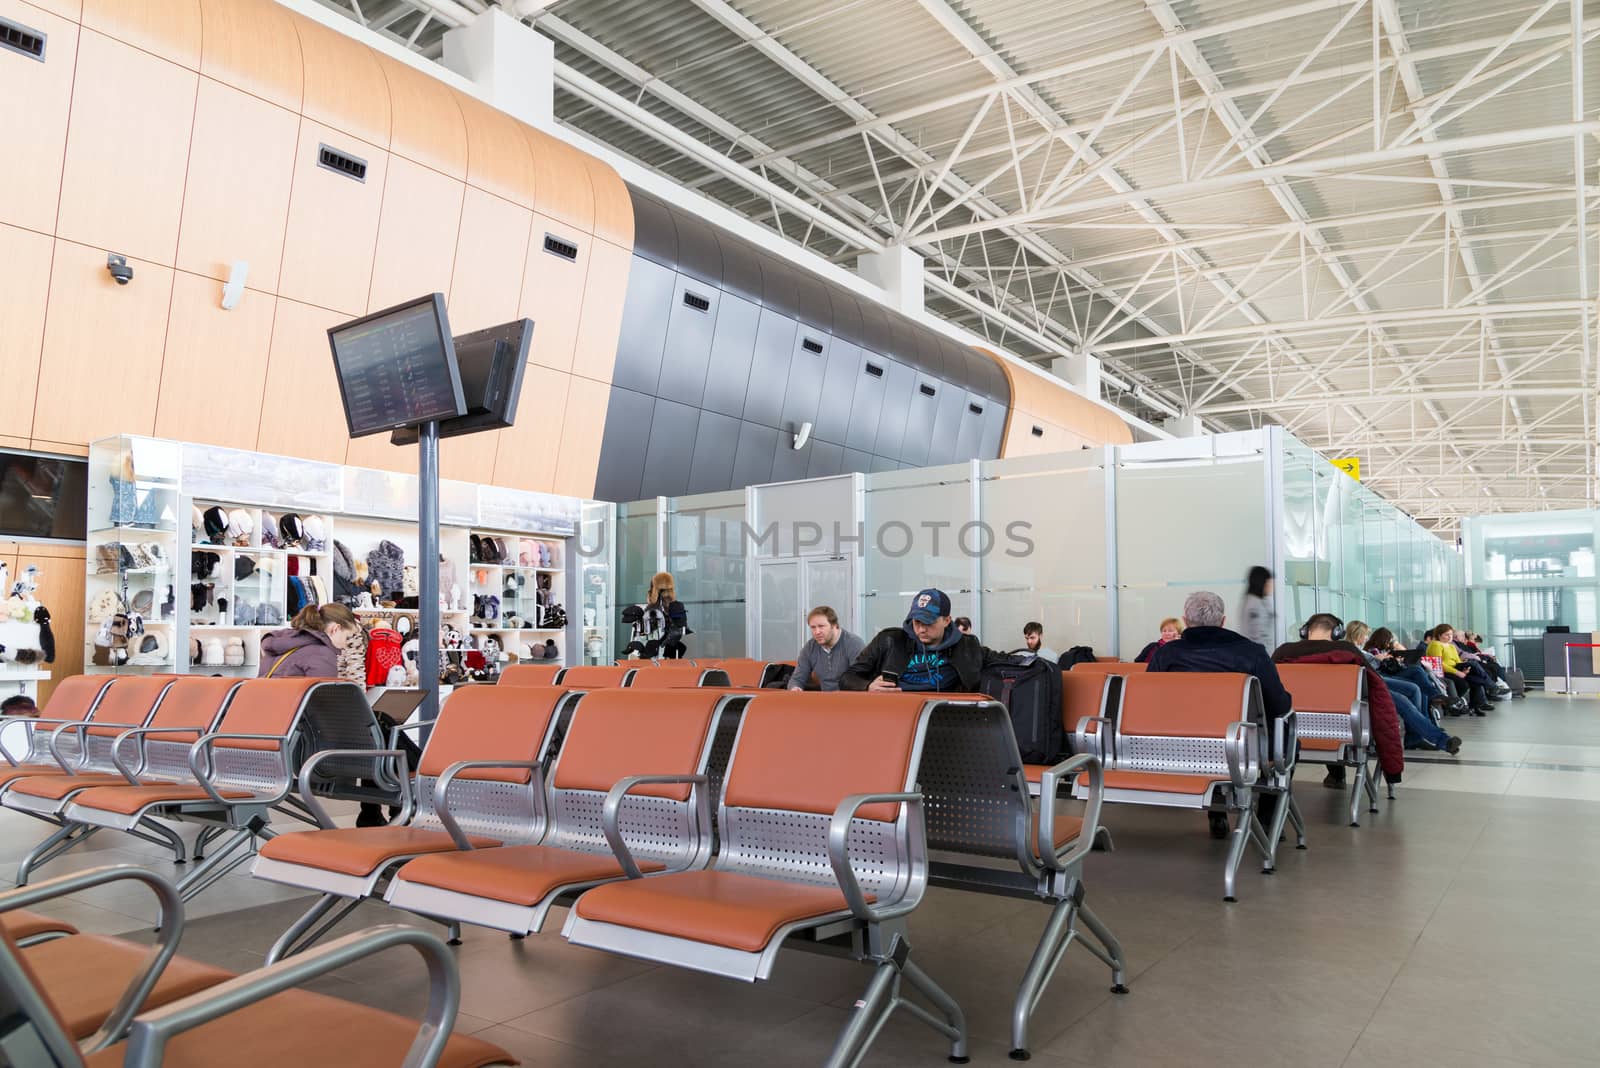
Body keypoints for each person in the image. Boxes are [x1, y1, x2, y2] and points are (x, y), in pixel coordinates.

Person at [1148, 591, 1293, 839]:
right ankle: (1267, 819)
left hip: (1177, 750)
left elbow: (1147, 703)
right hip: (1242, 751)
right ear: (1223, 621)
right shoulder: (1252, 652)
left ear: (1186, 619)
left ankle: (1217, 809)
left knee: (1211, 743)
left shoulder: (1166, 655)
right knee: (1286, 735)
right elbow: (1279, 704)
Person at [1273, 616, 1427, 794]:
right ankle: (1339, 776)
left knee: (1317, 703)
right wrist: (1392, 768)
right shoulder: (1347, 651)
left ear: (1305, 631)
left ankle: (1335, 777)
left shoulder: (1282, 653)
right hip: (1343, 730)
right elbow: (1379, 696)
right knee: (1334, 705)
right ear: (1337, 633)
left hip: (1289, 731)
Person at [842, 588, 1008, 693]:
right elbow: (847, 678)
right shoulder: (889, 640)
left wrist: (1032, 663)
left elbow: (1004, 661)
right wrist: (868, 686)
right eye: (916, 622)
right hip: (896, 714)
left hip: (946, 717)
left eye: (929, 623)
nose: (921, 629)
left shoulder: (966, 645)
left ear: (947, 620)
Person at [258, 603, 358, 678]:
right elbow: (325, 700)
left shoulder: (283, 645)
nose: (346, 644)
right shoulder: (322, 654)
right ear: (335, 629)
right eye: (347, 637)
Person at [790, 606, 865, 692]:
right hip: (825, 699)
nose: (817, 632)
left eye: (821, 626)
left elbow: (859, 680)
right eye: (813, 627)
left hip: (848, 698)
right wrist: (795, 688)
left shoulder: (854, 643)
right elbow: (797, 678)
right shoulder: (810, 647)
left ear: (834, 625)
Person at [621, 571, 691, 659]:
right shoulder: (677, 610)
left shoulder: (647, 612)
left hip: (653, 662)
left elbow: (636, 649)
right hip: (668, 661)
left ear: (653, 591)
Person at [1427, 624, 1491, 713]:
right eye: (1447, 634)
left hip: (1456, 668)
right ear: (1439, 635)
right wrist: (1457, 672)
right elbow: (1438, 664)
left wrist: (1464, 670)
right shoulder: (1436, 645)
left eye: (1451, 634)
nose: (1450, 637)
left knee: (1477, 680)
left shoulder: (1451, 646)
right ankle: (1491, 687)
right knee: (1466, 680)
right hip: (1444, 671)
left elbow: (1458, 661)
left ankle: (1474, 707)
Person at [1238, 566, 1276, 650]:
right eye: (1269, 582)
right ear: (1262, 583)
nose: (1272, 586)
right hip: (1258, 654)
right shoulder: (1254, 604)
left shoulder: (1260, 601)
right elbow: (1257, 634)